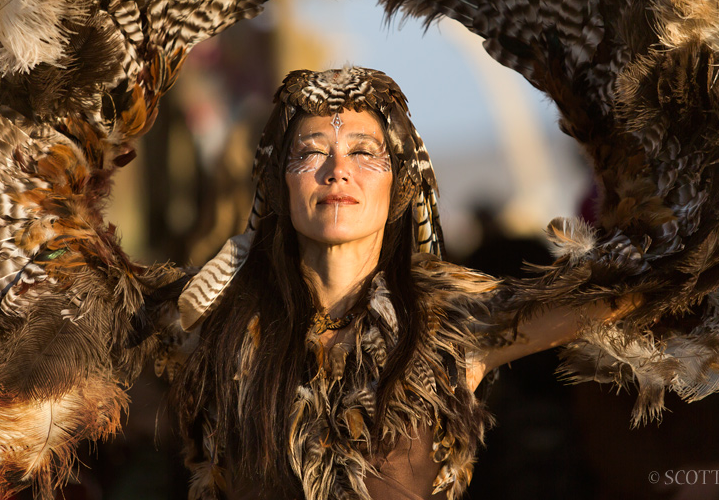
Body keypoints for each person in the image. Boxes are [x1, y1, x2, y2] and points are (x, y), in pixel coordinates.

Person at [154, 66, 631, 500]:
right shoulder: (216, 320)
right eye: (312, 152)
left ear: (399, 182)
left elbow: (624, 295)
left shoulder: (454, 321)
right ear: (281, 182)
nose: (337, 169)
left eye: (363, 152)